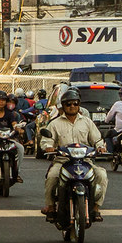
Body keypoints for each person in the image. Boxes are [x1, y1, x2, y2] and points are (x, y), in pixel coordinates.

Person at [40, 87, 108, 221]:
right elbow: (46, 140)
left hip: (85, 162)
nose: (72, 106)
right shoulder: (55, 124)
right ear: (63, 106)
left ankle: (95, 208)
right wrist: (48, 147)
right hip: (62, 161)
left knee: (102, 175)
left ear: (79, 105)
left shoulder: (87, 122)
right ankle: (51, 207)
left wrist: (100, 147)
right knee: (52, 176)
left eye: (75, 103)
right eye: (68, 104)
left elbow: (97, 139)